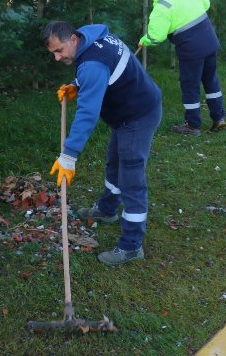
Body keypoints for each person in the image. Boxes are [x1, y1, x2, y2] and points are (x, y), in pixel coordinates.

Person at [44, 21, 162, 267]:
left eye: (59, 51)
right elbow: (101, 72)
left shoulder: (92, 65)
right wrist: (78, 86)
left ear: (73, 39)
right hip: (129, 112)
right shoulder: (92, 37)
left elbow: (87, 114)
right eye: (53, 53)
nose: (57, 58)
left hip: (138, 115)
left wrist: (68, 156)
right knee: (114, 163)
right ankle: (107, 210)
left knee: (131, 179)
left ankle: (131, 246)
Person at [139, 0, 226, 136]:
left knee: (190, 85)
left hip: (191, 48)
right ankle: (219, 118)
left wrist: (144, 41)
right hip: (209, 40)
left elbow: (156, 36)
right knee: (210, 80)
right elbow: (206, 2)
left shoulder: (162, 5)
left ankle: (193, 125)